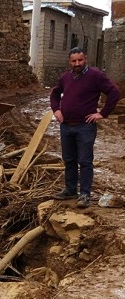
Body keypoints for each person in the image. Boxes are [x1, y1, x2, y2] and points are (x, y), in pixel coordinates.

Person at [50, 47, 121, 208]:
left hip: (85, 127)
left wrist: (103, 113)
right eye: (74, 61)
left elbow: (114, 92)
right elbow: (54, 94)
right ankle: (70, 190)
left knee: (85, 161)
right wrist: (56, 109)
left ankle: (85, 194)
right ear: (69, 62)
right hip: (66, 126)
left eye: (80, 60)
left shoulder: (95, 76)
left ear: (85, 59)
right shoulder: (65, 77)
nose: (77, 63)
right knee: (69, 160)